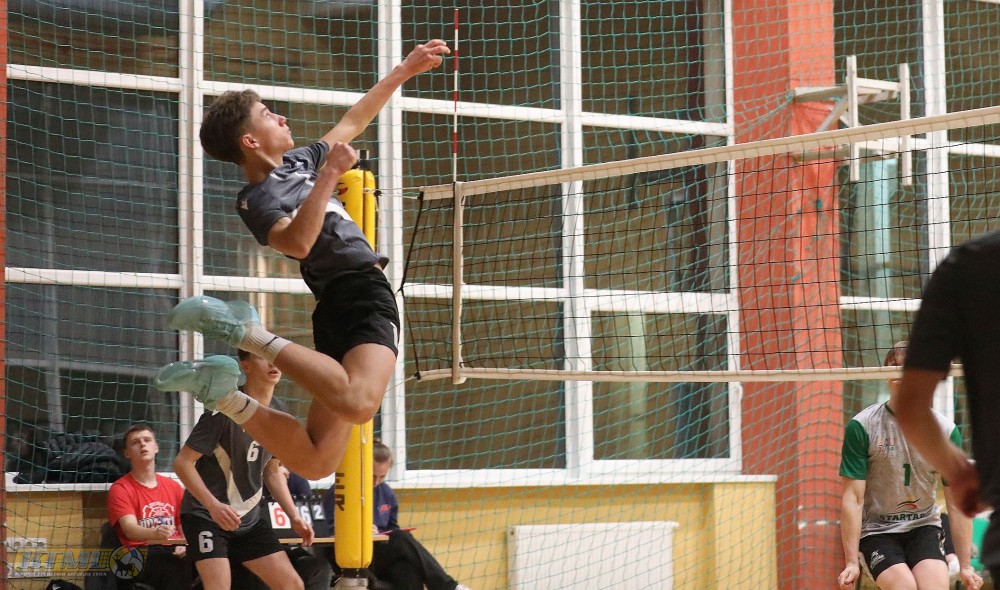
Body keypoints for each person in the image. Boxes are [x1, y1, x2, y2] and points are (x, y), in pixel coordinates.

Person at [152, 39, 451, 481]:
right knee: (359, 404)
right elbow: (296, 243)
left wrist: (403, 71)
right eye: (268, 114)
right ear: (250, 140)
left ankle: (221, 392)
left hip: (341, 300)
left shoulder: (299, 161)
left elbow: (353, 119)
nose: (282, 117)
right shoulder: (257, 198)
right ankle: (246, 333)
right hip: (359, 293)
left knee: (315, 462)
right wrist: (329, 175)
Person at [891, 230, 1000, 585]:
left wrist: (960, 472)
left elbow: (911, 407)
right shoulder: (865, 426)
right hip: (885, 533)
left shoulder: (970, 263)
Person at [837, 342, 982, 590]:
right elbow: (853, 498)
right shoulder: (862, 427)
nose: (900, 373)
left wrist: (966, 565)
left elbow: (957, 504)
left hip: (923, 527)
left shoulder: (945, 431)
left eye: (908, 367)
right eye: (894, 366)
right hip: (877, 531)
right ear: (884, 373)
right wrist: (851, 562)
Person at [173, 350, 315, 590]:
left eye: (275, 357)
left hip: (248, 520)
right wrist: (213, 506)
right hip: (207, 516)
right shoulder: (225, 406)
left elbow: (272, 472)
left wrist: (294, 516)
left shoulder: (280, 413)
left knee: (292, 585)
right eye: (263, 357)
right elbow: (182, 463)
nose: (272, 363)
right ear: (245, 366)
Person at [322, 441, 471, 590]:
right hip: (353, 556)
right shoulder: (341, 491)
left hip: (380, 554)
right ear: (361, 468)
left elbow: (392, 529)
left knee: (407, 570)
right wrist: (359, 530)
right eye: (372, 476)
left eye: (382, 476)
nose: (376, 481)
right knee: (401, 538)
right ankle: (447, 586)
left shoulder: (387, 493)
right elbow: (327, 531)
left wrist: (380, 534)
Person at [106, 423, 193, 590]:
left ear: (156, 447)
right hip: (140, 553)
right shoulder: (121, 488)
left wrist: (186, 545)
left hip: (174, 549)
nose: (142, 444)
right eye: (135, 442)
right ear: (127, 453)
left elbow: (184, 526)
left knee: (210, 561)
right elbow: (130, 530)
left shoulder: (173, 487)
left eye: (147, 440)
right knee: (175, 568)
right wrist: (155, 533)